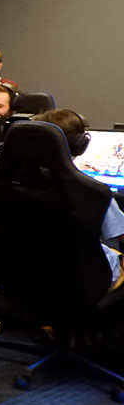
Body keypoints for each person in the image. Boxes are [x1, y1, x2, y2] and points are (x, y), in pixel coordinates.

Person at [33, 109, 124, 290]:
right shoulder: (93, 191)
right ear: (81, 145)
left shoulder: (12, 182)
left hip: (31, 276)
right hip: (82, 281)